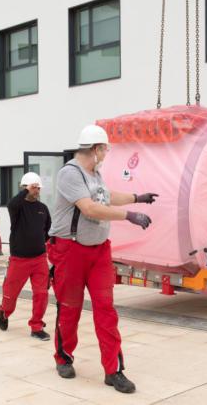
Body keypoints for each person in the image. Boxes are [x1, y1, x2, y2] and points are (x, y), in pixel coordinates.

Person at [47, 124, 158, 394]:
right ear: (95, 149)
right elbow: (91, 208)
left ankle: (113, 370)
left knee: (106, 310)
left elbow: (107, 197)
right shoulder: (69, 174)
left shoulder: (95, 173)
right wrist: (129, 216)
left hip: (98, 251)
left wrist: (137, 198)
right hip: (70, 250)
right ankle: (63, 357)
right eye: (105, 148)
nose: (107, 153)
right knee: (70, 307)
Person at [0, 173, 51, 341]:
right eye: (34, 188)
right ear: (25, 188)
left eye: (38, 188)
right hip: (19, 260)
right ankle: (4, 312)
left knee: (41, 294)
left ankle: (36, 326)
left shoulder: (43, 208)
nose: (37, 191)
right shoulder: (17, 208)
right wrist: (26, 190)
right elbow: (11, 203)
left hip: (39, 259)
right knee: (10, 294)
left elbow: (47, 231)